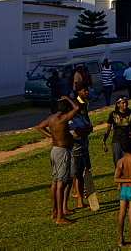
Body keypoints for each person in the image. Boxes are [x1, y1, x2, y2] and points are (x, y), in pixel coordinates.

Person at [36, 96, 82, 224]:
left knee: (55, 182)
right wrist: (68, 98)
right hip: (62, 152)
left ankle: (54, 211)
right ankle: (60, 217)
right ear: (66, 109)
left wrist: (52, 136)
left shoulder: (52, 118)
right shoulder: (63, 119)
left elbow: (39, 127)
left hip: (55, 150)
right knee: (61, 183)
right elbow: (77, 108)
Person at [103, 97, 131, 164]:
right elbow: (108, 128)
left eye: (126, 103)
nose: (125, 104)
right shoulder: (113, 114)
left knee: (129, 161)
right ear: (118, 104)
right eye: (123, 103)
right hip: (117, 140)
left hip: (128, 140)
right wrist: (104, 141)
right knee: (117, 161)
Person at [69, 112, 93, 210]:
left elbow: (90, 127)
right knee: (74, 176)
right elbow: (75, 133)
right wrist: (84, 131)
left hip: (84, 149)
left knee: (82, 174)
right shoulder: (67, 120)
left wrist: (83, 131)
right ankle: (76, 197)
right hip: (74, 151)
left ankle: (81, 200)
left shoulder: (78, 116)